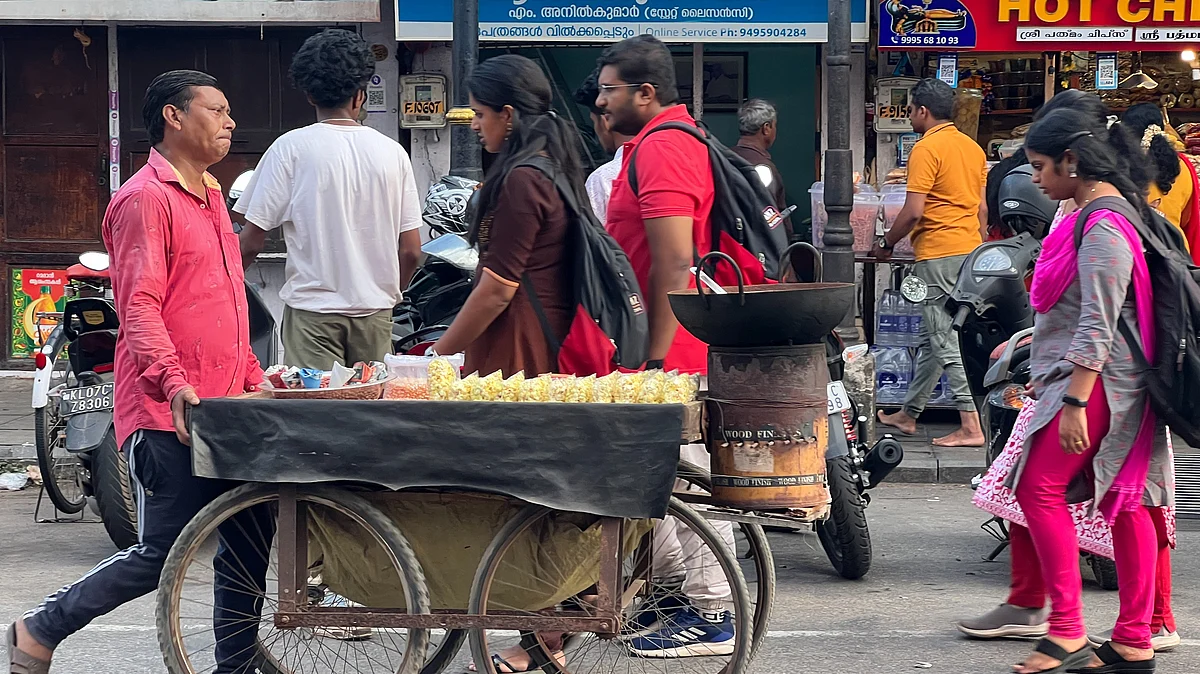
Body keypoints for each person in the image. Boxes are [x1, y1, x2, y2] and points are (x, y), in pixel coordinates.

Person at [8, 70, 267, 674]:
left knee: (250, 539)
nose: (231, 122)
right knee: (164, 552)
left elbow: (228, 302)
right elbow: (140, 305)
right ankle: (40, 628)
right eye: (219, 110)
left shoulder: (210, 195)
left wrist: (255, 374)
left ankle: (234, 666)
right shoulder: (145, 199)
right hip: (166, 408)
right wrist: (174, 380)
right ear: (175, 118)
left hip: (228, 405)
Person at [1005, 107, 1172, 674]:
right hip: (1110, 379)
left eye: (1040, 166)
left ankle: (1069, 630)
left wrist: (1075, 399)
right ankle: (1132, 641)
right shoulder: (1100, 211)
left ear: (1071, 162)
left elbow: (1099, 320)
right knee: (1126, 503)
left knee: (1038, 487)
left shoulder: (1102, 223)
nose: (1033, 178)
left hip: (1101, 381)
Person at [595, 34, 744, 659]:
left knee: (688, 480)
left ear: (646, 92)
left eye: (609, 90)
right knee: (659, 479)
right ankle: (683, 598)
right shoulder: (658, 144)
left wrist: (654, 360)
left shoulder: (663, 149)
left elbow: (674, 264)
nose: (601, 102)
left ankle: (714, 614)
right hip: (662, 337)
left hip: (674, 342)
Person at [438, 54, 578, 672]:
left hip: (518, 350)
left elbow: (498, 285)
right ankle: (542, 633)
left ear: (509, 114)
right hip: (525, 345)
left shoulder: (526, 178)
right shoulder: (549, 164)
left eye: (482, 113)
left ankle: (543, 632)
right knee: (528, 493)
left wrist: (439, 353)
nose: (474, 125)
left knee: (520, 495)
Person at [237, 29, 423, 370]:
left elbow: (250, 242)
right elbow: (411, 250)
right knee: (370, 415)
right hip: (375, 316)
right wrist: (385, 297)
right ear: (360, 95)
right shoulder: (392, 154)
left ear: (309, 95)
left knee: (318, 417)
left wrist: (225, 290)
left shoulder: (289, 149)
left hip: (312, 318)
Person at [874, 78, 987, 448]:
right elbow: (981, 208)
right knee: (932, 337)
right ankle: (909, 414)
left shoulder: (927, 148)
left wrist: (886, 243)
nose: (909, 116)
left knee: (943, 336)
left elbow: (913, 210)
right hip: (968, 250)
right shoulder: (972, 148)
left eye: (909, 110)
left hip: (938, 252)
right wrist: (980, 245)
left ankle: (971, 425)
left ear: (922, 111)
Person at [1123, 102, 1200, 261]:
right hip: (1177, 257)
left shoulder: (1122, 166)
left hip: (1140, 257)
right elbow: (1188, 219)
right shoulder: (1185, 165)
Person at [574, 67, 631, 226]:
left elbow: (592, 247)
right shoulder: (679, 156)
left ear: (605, 120)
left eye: (594, 122)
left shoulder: (603, 179)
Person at [732, 98, 793, 239]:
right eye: (774, 126)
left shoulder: (723, 158)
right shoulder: (762, 168)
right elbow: (767, 214)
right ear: (766, 128)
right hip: (757, 250)